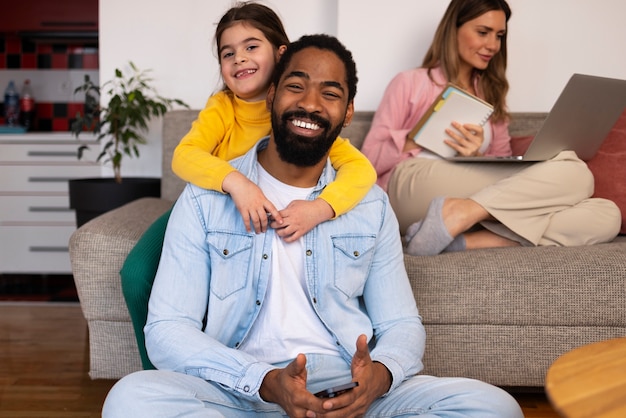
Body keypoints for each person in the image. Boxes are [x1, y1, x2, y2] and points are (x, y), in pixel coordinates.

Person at [102, 34, 524, 417]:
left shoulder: (369, 204)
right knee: (132, 399)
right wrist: (264, 382)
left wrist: (381, 374)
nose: (310, 104)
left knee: (492, 407)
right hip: (242, 392)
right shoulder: (205, 197)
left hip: (348, 392)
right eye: (295, 85)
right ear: (271, 96)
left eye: (330, 93)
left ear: (347, 112)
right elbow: (166, 329)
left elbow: (400, 324)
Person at [119, 2, 376, 370]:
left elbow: (360, 170)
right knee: (135, 274)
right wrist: (237, 183)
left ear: (281, 52)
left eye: (251, 46)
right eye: (228, 53)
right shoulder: (224, 107)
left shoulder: (302, 115)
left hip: (268, 226)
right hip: (212, 210)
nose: (239, 58)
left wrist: (322, 208)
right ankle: (160, 371)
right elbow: (185, 155)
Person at [361, 0, 621, 256]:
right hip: (409, 185)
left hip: (473, 196)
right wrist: (419, 135)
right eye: (483, 32)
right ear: (453, 30)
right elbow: (368, 160)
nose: (493, 45)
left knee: (607, 215)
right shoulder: (411, 82)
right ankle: (459, 212)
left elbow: (502, 163)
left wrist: (475, 157)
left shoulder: (492, 94)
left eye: (499, 35)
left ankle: (465, 236)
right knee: (576, 172)